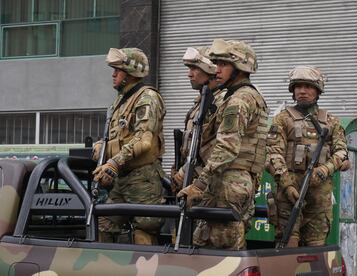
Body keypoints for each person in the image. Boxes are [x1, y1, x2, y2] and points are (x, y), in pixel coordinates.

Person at [177, 39, 269, 250]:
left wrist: (198, 185)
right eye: (216, 63)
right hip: (230, 181)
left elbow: (227, 148)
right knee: (207, 245)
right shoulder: (241, 96)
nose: (216, 70)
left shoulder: (238, 101)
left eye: (223, 65)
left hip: (228, 182)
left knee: (222, 252)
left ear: (240, 68)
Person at [266, 65, 349, 247]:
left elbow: (343, 152)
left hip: (319, 195)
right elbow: (273, 154)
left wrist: (325, 169)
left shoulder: (331, 121)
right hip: (289, 194)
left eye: (308, 86)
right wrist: (287, 185)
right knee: (288, 244)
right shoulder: (282, 119)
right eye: (298, 86)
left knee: (315, 248)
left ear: (318, 90)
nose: (302, 91)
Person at [92, 47, 166, 245]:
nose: (114, 74)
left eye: (119, 70)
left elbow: (143, 141)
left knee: (145, 231)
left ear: (132, 72)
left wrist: (113, 162)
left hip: (143, 179)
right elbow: (120, 136)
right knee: (103, 226)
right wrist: (102, 148)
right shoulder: (120, 101)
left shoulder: (147, 98)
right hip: (122, 179)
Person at [171, 46, 223, 192]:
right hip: (191, 181)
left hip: (208, 185)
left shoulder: (220, 103)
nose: (189, 74)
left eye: (194, 69)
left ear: (209, 69)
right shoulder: (200, 103)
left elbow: (218, 150)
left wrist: (185, 172)